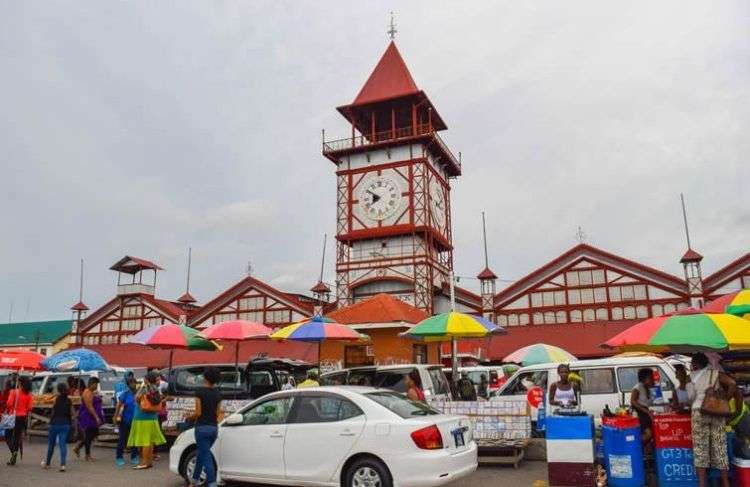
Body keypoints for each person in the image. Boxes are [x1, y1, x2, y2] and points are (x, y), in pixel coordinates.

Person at [689, 352, 740, 487]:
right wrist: (723, 400)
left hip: (699, 412)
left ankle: (702, 484)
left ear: (695, 364)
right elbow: (733, 384)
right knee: (720, 447)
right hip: (716, 413)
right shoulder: (715, 373)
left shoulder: (691, 376)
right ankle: (725, 483)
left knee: (701, 450)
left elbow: (689, 398)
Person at [186, 367, 223, 487]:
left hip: (202, 428)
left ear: (205, 377)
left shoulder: (199, 391)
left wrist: (188, 417)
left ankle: (212, 483)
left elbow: (198, 412)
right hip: (213, 429)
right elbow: (219, 413)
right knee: (201, 454)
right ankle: (194, 481)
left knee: (206, 458)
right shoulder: (218, 393)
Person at [128, 371, 166, 470]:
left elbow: (136, 399)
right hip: (153, 418)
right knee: (150, 441)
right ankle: (149, 462)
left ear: (147, 379)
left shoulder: (144, 388)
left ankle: (144, 462)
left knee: (145, 442)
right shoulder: (156, 389)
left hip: (142, 418)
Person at [43, 382, 76, 472]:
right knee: (62, 445)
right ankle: (63, 465)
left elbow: (53, 412)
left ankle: (48, 464)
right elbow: (73, 414)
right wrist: (73, 420)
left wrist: (50, 421)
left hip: (54, 424)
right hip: (65, 424)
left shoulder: (56, 399)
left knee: (51, 444)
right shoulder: (69, 401)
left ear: (58, 390)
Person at [74, 377, 103, 462]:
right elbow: (89, 407)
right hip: (88, 417)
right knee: (89, 435)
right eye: (96, 384)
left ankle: (78, 447)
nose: (97, 386)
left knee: (94, 433)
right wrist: (96, 417)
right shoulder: (87, 393)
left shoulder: (91, 392)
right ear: (92, 384)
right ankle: (87, 455)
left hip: (91, 417)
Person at [5, 376, 33, 466]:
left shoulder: (14, 392)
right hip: (23, 417)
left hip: (13, 417)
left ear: (20, 383)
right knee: (17, 437)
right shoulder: (29, 394)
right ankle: (13, 459)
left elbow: (9, 403)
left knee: (7, 435)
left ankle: (13, 452)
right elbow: (30, 408)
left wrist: (11, 408)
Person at [114, 376, 139, 466]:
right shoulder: (125, 394)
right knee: (122, 439)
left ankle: (134, 456)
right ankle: (119, 457)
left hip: (136, 420)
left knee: (134, 440)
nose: (133, 384)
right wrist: (115, 416)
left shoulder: (139, 394)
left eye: (134, 383)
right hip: (124, 420)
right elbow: (118, 406)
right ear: (128, 385)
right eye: (131, 383)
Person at [630, 368, 655, 446]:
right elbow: (633, 401)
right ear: (644, 379)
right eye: (650, 378)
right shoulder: (637, 387)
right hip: (639, 413)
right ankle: (634, 447)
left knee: (653, 432)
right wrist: (646, 411)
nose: (652, 379)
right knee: (648, 434)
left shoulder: (648, 389)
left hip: (645, 413)